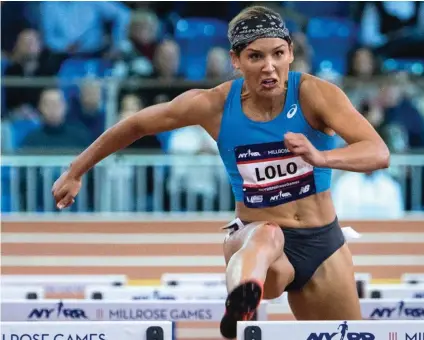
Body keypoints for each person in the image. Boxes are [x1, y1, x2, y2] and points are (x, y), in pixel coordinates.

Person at [51, 6, 390, 339]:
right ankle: (241, 300)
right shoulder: (213, 105)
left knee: (347, 335)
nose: (269, 67)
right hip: (255, 240)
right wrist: (76, 170)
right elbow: (138, 124)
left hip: (322, 243)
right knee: (268, 235)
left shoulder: (314, 94)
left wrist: (322, 157)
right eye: (256, 57)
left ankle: (246, 293)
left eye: (278, 54)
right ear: (236, 61)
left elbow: (377, 151)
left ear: (290, 54)